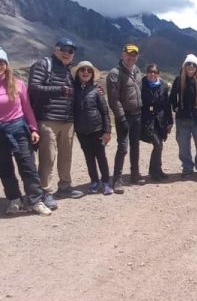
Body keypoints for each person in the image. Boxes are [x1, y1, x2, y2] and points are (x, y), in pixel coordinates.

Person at [0, 46, 50, 216]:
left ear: (6, 64)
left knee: (27, 166)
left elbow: (27, 109)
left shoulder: (18, 84)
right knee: (4, 168)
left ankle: (35, 200)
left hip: (18, 129)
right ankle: (14, 199)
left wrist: (33, 128)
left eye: (1, 61)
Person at [28, 37, 84, 207]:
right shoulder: (44, 65)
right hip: (48, 119)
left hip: (67, 121)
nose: (67, 53)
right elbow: (34, 88)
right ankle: (45, 191)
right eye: (64, 49)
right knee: (48, 158)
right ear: (56, 49)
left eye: (71, 51)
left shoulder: (69, 71)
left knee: (66, 156)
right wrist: (59, 90)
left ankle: (65, 186)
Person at [106, 43, 144, 192]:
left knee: (135, 145)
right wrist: (121, 118)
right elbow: (114, 100)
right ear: (122, 54)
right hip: (124, 116)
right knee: (123, 147)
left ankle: (135, 174)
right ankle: (117, 179)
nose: (131, 57)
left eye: (134, 55)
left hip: (137, 114)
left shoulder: (137, 71)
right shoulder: (114, 73)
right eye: (129, 54)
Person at [73, 61, 113, 195]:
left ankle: (106, 182)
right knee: (88, 157)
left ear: (92, 74)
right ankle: (94, 181)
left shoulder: (97, 91)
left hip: (97, 130)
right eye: (82, 70)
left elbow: (105, 112)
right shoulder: (73, 90)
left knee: (101, 156)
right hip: (81, 131)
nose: (85, 72)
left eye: (88, 70)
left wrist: (107, 131)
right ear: (78, 73)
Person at [170, 54, 197, 178]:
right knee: (183, 145)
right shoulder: (178, 80)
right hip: (182, 118)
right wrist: (176, 107)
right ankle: (187, 167)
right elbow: (172, 96)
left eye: (194, 65)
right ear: (184, 66)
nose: (191, 66)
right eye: (188, 64)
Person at [141, 64, 174, 181]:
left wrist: (170, 121)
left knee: (160, 144)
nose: (152, 74)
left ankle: (158, 170)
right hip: (147, 120)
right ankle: (153, 171)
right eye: (150, 72)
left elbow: (167, 105)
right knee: (157, 144)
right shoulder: (141, 85)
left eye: (155, 72)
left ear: (158, 74)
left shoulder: (163, 86)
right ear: (146, 73)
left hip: (160, 120)